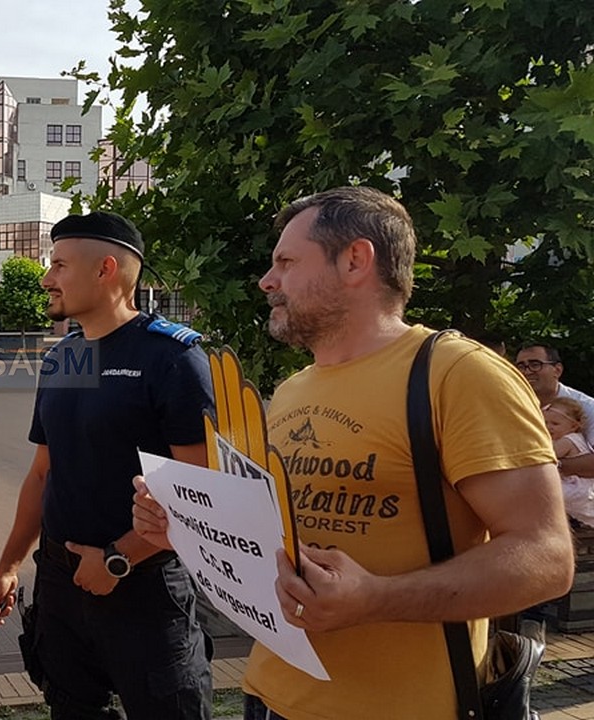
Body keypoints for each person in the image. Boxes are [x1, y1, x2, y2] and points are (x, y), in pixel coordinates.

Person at [132, 186, 573, 720]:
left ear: (355, 260)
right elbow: (275, 541)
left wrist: (376, 598)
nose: (267, 281)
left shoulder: (458, 374)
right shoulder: (293, 390)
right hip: (269, 697)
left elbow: (546, 558)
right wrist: (187, 529)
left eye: (286, 263)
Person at [0, 211, 215, 719]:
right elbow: (43, 473)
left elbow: (201, 496)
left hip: (144, 591)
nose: (47, 279)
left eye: (59, 265)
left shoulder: (172, 360)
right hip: (61, 588)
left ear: (105, 269)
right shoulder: (65, 358)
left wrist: (117, 559)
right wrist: (8, 566)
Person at [516, 344, 594, 478]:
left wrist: (551, 467)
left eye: (535, 365)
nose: (527, 372)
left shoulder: (588, 407)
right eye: (521, 367)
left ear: (557, 370)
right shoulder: (512, 405)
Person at [544, 398, 594, 527]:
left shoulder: (568, 440)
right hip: (577, 488)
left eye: (555, 424)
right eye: (545, 423)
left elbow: (548, 454)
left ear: (573, 426)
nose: (549, 427)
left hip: (578, 488)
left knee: (545, 492)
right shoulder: (568, 438)